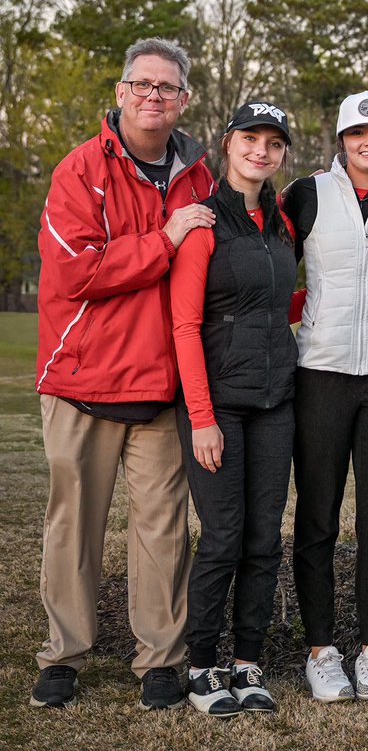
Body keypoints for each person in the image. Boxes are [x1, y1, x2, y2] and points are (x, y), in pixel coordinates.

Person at [32, 37, 215, 710]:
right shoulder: (79, 171)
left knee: (164, 531)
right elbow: (75, 271)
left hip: (160, 386)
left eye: (167, 87)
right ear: (120, 92)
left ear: (184, 100)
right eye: (142, 84)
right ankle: (63, 654)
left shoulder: (200, 177)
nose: (153, 97)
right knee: (73, 528)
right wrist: (163, 241)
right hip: (83, 381)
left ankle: (159, 659)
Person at [282, 91, 368, 703]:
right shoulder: (305, 195)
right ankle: (321, 648)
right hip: (321, 373)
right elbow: (274, 271)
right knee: (316, 518)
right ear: (341, 139)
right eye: (359, 132)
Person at [170, 100, 298, 717]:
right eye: (251, 138)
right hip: (218, 406)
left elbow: (284, 303)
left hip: (277, 403)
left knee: (263, 538)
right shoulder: (202, 222)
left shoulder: (281, 222)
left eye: (273, 144)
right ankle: (201, 665)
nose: (261, 151)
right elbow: (184, 324)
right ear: (228, 144)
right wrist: (201, 418)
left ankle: (247, 662)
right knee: (222, 538)